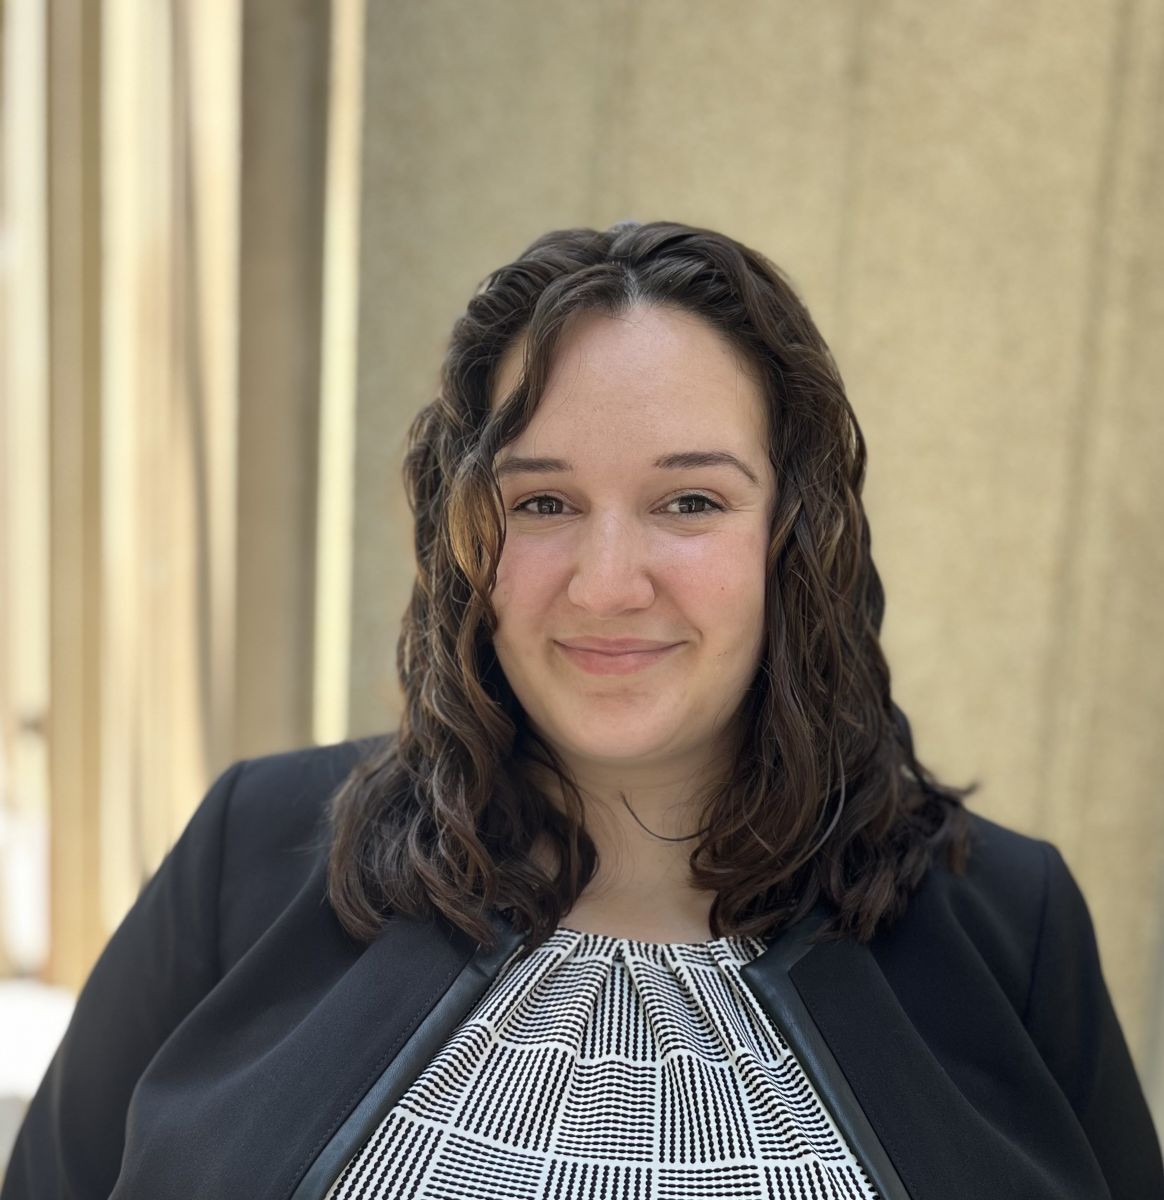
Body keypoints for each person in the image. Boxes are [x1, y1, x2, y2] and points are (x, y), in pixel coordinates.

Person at [3, 220, 1161, 1200]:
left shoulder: (1009, 925)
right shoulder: (252, 852)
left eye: (690, 500)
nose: (607, 583)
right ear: (466, 539)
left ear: (795, 538)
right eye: (545, 500)